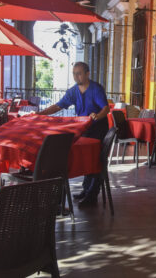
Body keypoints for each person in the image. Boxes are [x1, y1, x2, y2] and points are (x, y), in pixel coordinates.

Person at [38, 61, 109, 207]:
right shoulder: (72, 91)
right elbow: (59, 105)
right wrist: (41, 114)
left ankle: (92, 194)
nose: (76, 76)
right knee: (86, 157)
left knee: (95, 159)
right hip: (84, 129)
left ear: (87, 74)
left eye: (79, 73)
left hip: (98, 128)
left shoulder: (96, 89)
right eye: (74, 73)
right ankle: (85, 190)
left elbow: (106, 108)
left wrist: (97, 116)